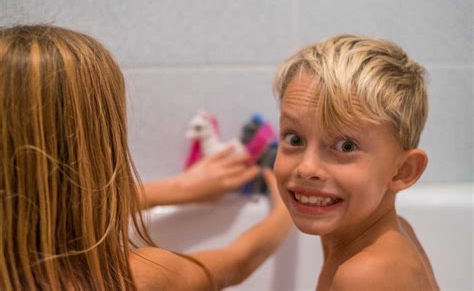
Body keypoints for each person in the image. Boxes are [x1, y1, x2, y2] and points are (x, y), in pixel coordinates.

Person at [0, 24, 292, 290]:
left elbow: (45, 203)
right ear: (96, 145)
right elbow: (238, 261)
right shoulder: (134, 277)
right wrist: (284, 210)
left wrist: (180, 189)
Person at [272, 35, 440, 290]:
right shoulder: (392, 231)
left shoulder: (365, 276)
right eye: (294, 139)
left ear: (403, 171)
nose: (306, 168)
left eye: (346, 146)